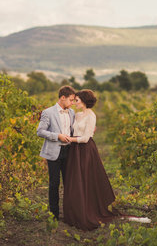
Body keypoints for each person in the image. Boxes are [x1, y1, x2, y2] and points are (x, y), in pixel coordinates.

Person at [62, 89, 121, 230]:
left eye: (76, 100)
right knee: (75, 181)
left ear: (83, 100)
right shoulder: (76, 115)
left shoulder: (91, 116)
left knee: (85, 179)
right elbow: (72, 130)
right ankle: (74, 213)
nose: (74, 102)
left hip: (85, 150)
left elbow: (86, 138)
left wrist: (69, 139)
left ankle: (86, 211)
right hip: (74, 150)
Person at [37, 85, 76, 221]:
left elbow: (73, 131)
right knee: (54, 183)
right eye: (71, 100)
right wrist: (57, 136)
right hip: (54, 152)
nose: (72, 103)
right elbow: (40, 131)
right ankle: (54, 214)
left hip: (69, 151)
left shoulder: (71, 113)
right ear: (62, 98)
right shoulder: (48, 112)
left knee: (69, 183)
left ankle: (69, 213)